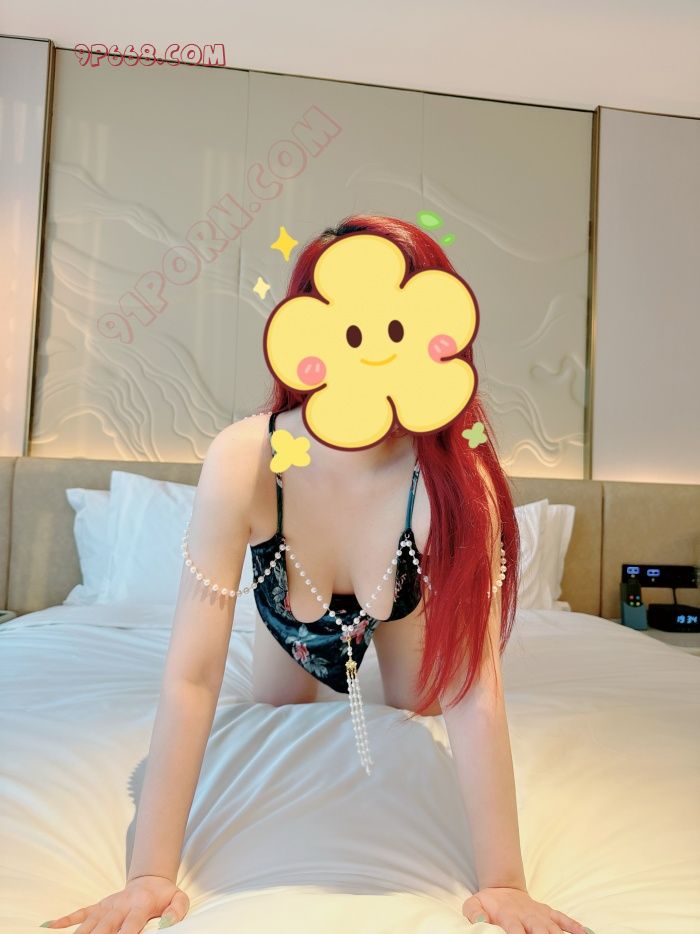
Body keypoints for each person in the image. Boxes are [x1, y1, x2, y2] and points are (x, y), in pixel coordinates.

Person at [41, 215, 593, 934]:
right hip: (287, 609)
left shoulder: (454, 480)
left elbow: (473, 687)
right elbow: (193, 676)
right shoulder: (245, 458)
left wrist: (505, 885)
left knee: (415, 708)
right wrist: (148, 875)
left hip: (399, 600)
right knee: (279, 707)